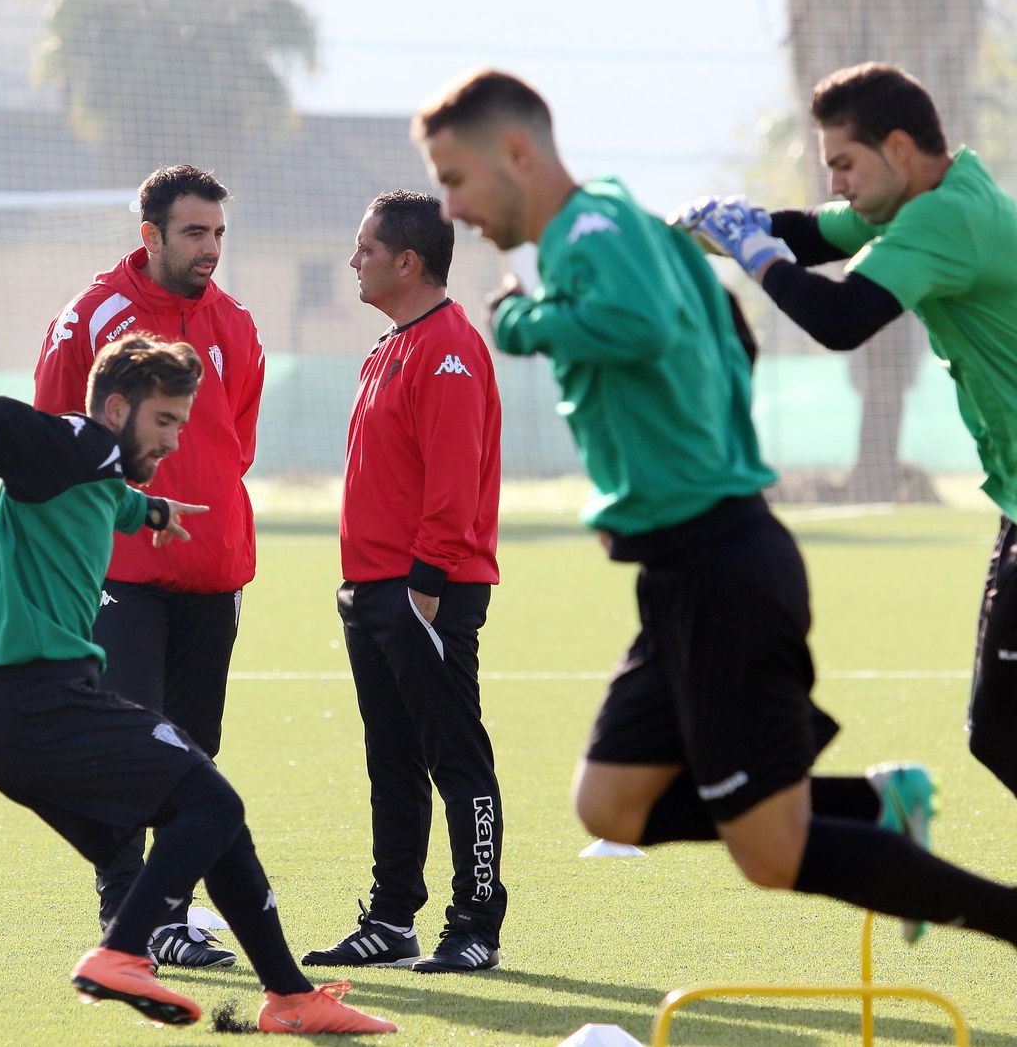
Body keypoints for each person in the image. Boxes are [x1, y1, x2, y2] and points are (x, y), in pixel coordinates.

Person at [410, 66, 1017, 951]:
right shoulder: (616, 220)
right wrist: (731, 242)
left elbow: (679, 325)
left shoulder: (591, 231)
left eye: (454, 180)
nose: (451, 209)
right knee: (610, 805)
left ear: (514, 152)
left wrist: (523, 322)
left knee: (779, 847)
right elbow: (757, 299)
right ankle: (879, 801)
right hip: (687, 569)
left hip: (723, 568)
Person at [0, 335, 394, 1035]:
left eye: (181, 425)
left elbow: (106, 499)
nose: (173, 441)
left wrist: (150, 513)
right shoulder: (74, 442)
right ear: (119, 406)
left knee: (214, 823)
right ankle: (123, 951)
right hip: (40, 700)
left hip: (7, 719)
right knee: (210, 800)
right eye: (164, 421)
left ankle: (290, 996)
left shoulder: (92, 471)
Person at [673, 62, 1017, 804]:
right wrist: (702, 233)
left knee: (1003, 728)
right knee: (1002, 728)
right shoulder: (929, 197)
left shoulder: (943, 217)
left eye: (843, 163)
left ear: (898, 148)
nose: (835, 183)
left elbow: (841, 318)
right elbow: (810, 235)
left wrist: (753, 253)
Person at [33, 164, 265, 967]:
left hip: (215, 566)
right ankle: (129, 914)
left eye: (219, 234)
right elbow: (50, 435)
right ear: (151, 235)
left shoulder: (235, 322)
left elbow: (236, 440)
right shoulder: (93, 315)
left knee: (195, 746)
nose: (211, 249)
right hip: (118, 566)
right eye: (195, 233)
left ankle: (170, 910)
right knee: (129, 743)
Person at [301, 191, 507, 974]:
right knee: (391, 757)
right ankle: (392, 919)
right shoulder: (391, 345)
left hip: (425, 591)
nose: (354, 261)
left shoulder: (448, 349)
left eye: (365, 249)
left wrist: (424, 590)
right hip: (372, 589)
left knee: (457, 759)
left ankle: (477, 923)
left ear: (407, 262)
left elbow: (453, 489)